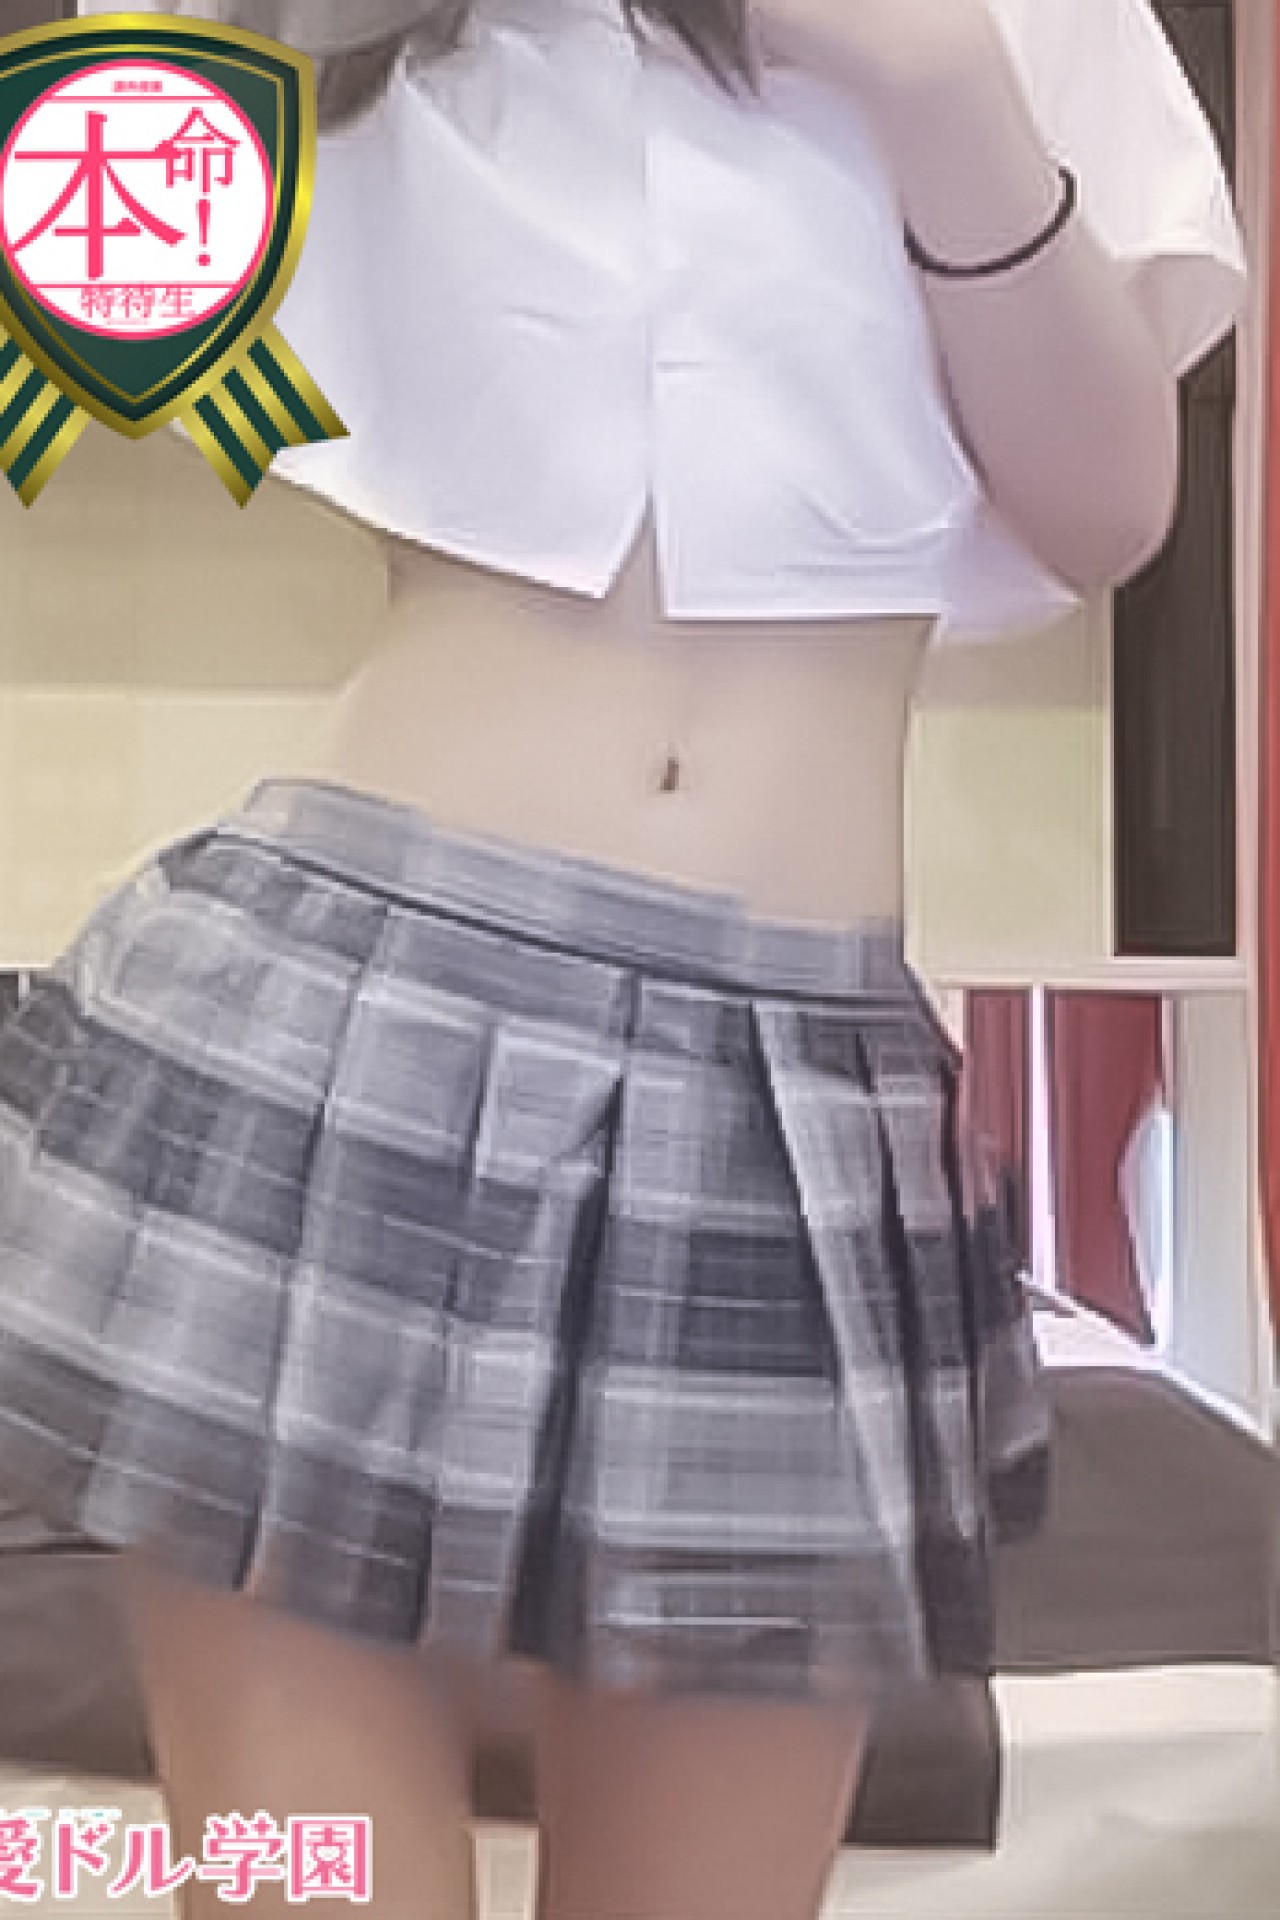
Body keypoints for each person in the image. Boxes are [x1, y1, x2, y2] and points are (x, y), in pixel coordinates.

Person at [0, 1, 1246, 1916]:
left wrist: (936, 84)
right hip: (344, 1034)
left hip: (787, 1110)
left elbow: (1108, 510)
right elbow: (101, 284)